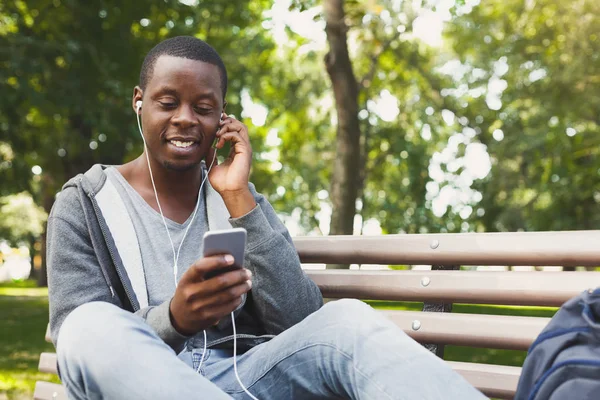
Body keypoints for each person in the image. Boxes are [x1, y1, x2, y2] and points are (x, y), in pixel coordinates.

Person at [47, 36, 486, 400]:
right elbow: (78, 343)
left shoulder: (238, 199)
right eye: (167, 102)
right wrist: (175, 318)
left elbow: (301, 321)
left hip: (242, 378)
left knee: (347, 319)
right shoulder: (85, 202)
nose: (185, 119)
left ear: (222, 118)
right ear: (139, 103)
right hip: (136, 387)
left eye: (203, 108)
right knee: (89, 325)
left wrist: (238, 196)